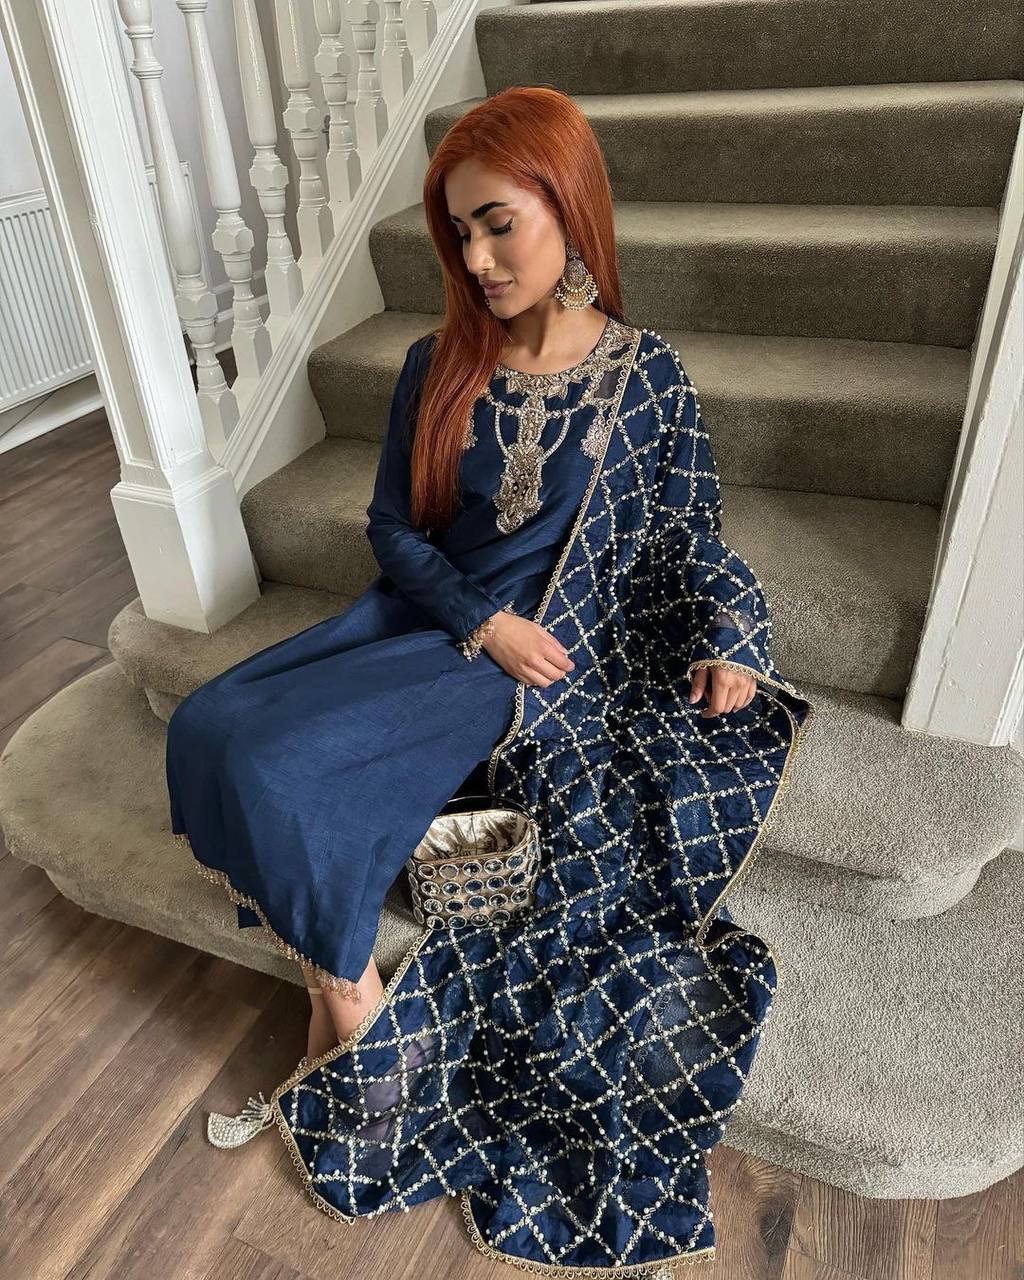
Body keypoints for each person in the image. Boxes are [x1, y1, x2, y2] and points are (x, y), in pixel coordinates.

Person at [175, 86, 814, 1274]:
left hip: (550, 667)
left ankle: (350, 1017)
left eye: (498, 224)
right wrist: (480, 618)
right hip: (438, 621)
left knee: (280, 768)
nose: (474, 259)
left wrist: (731, 634)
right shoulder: (438, 360)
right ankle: (341, 995)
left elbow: (689, 535)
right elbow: (390, 526)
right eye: (458, 232)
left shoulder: (647, 377)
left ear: (569, 208)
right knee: (211, 720)